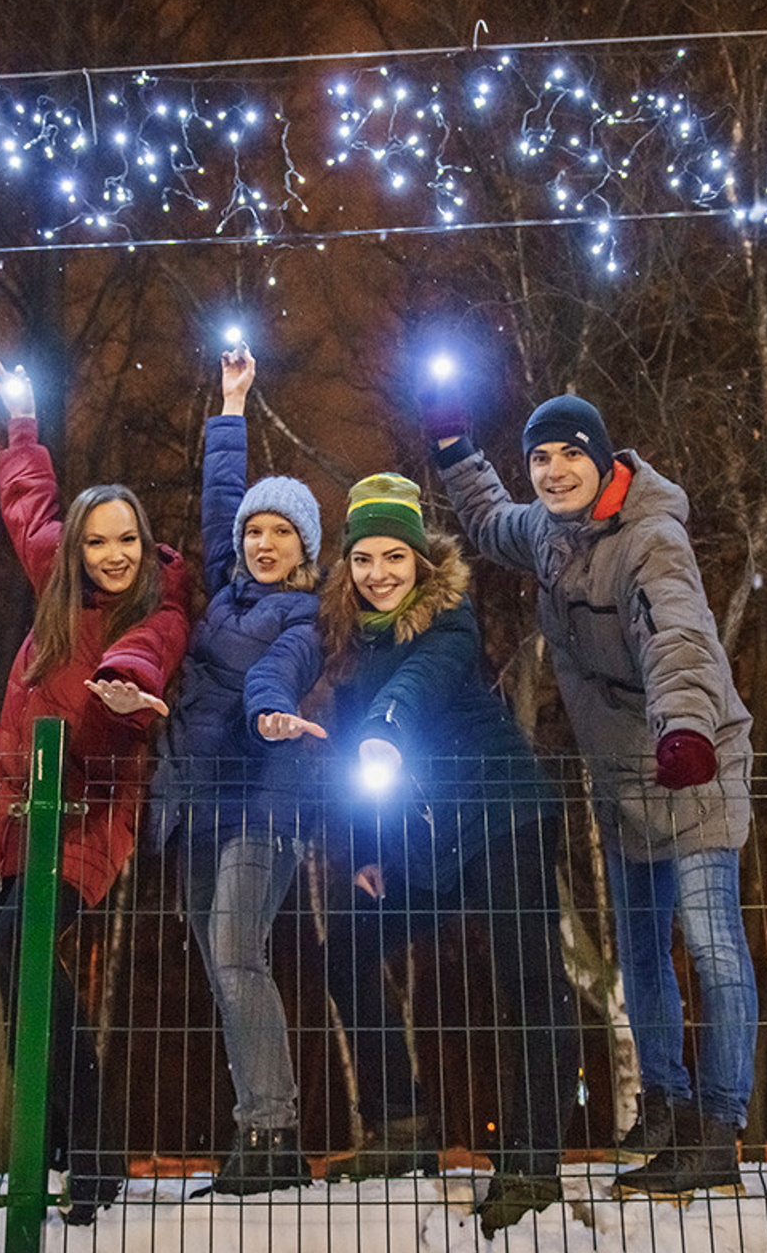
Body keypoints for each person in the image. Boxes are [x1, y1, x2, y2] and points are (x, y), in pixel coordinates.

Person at [427, 389, 757, 1200]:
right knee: (640, 953)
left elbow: (681, 635)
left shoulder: (651, 538)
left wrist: (684, 730)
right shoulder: (548, 530)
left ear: (603, 458)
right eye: (539, 458)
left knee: (711, 943)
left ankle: (719, 1127)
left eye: (570, 453)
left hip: (692, 756)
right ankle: (669, 1112)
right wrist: (453, 446)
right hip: (621, 773)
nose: (553, 471)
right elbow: (489, 521)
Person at [0, 358, 190, 1225]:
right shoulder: (58, 576)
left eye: (127, 538)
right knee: (18, 984)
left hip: (85, 808)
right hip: (6, 802)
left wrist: (128, 689)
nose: (114, 555)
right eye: (99, 540)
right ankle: (46, 1154)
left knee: (32, 968)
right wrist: (24, 425)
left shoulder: (158, 606)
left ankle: (91, 1157)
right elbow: (28, 509)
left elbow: (148, 652)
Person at [319, 472, 577, 1238]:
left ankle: (532, 1163)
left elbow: (419, 683)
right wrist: (369, 848)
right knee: (348, 951)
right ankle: (399, 1126)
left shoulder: (449, 618)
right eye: (363, 559)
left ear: (420, 561)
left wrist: (388, 724)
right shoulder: (349, 642)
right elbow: (353, 742)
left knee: (529, 978)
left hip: (504, 818)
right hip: (430, 845)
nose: (378, 573)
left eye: (394, 556)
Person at [149, 344, 326, 1195]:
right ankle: (262, 1122)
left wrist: (267, 714)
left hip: (265, 801)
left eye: (280, 533)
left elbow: (273, 673)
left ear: (304, 551)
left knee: (236, 948)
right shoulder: (224, 590)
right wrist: (230, 407)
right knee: (224, 962)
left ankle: (272, 1132)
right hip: (197, 797)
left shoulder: (301, 617)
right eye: (254, 530)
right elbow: (223, 493)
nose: (261, 542)